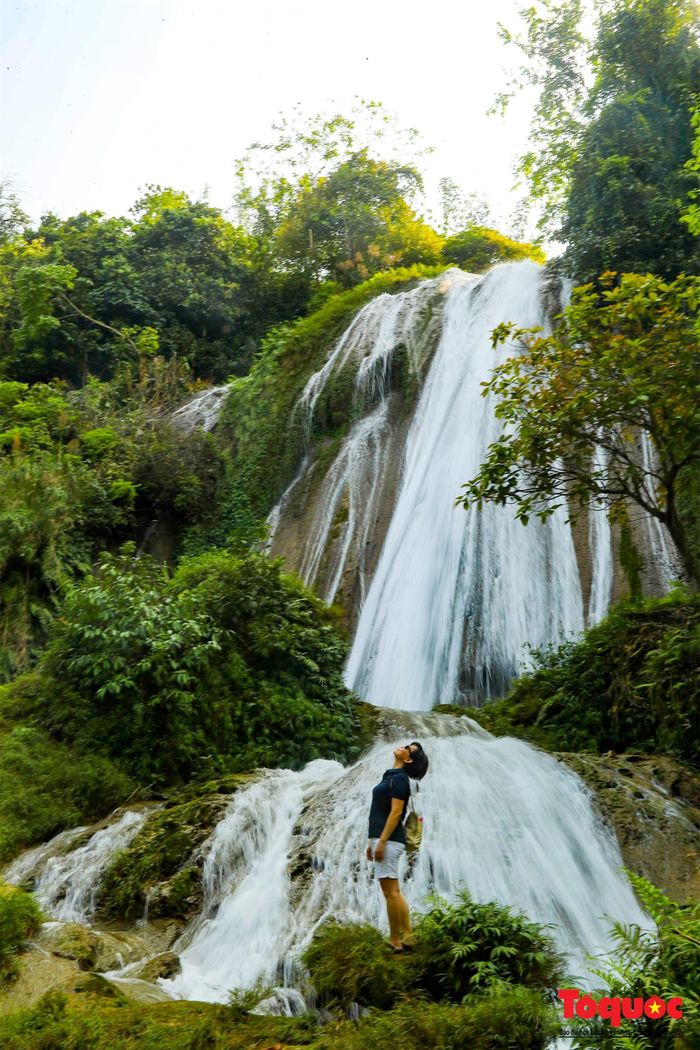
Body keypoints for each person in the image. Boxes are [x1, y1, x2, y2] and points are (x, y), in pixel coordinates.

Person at [366, 741, 429, 952]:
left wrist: (381, 841)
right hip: (385, 838)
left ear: (408, 759)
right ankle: (408, 936)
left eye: (407, 749)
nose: (402, 747)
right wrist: (371, 842)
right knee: (394, 891)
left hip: (390, 839)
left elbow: (395, 814)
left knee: (390, 892)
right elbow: (379, 811)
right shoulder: (392, 776)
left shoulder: (400, 780)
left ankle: (395, 940)